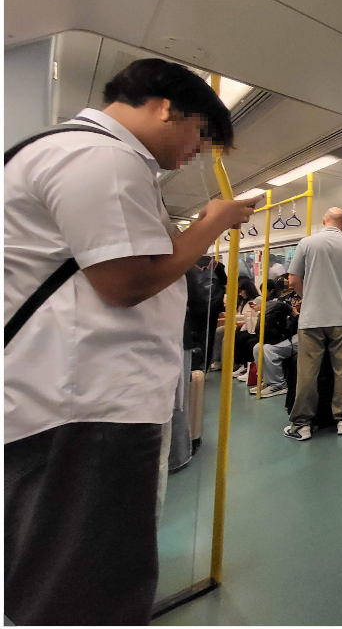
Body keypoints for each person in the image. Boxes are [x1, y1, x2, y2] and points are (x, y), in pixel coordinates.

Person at [4, 58, 259, 625]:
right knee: (89, 587)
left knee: (63, 573)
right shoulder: (102, 158)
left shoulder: (71, 152)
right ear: (166, 107)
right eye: (200, 134)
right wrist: (212, 223)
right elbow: (126, 283)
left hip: (73, 400)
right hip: (85, 407)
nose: (198, 151)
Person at [283, 207, 342, 440]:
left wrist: (308, 297)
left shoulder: (306, 243)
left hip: (312, 317)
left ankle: (302, 425)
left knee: (307, 373)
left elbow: (293, 280)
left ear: (324, 220)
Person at [251, 279, 299, 398]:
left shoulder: (303, 298)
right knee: (257, 348)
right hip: (288, 333)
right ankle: (267, 380)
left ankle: (279, 385)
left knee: (269, 349)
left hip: (300, 336)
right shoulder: (282, 299)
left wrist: (295, 314)